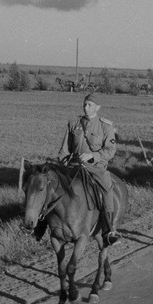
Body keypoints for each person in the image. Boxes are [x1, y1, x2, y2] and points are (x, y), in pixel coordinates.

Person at [57, 93, 119, 245]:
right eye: (85, 104)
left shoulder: (105, 126)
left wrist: (93, 156)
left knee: (106, 189)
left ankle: (108, 229)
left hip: (96, 168)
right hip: (73, 166)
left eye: (90, 105)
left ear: (98, 107)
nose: (86, 107)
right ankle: (42, 225)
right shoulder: (74, 123)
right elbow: (65, 149)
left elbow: (110, 150)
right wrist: (63, 163)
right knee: (52, 188)